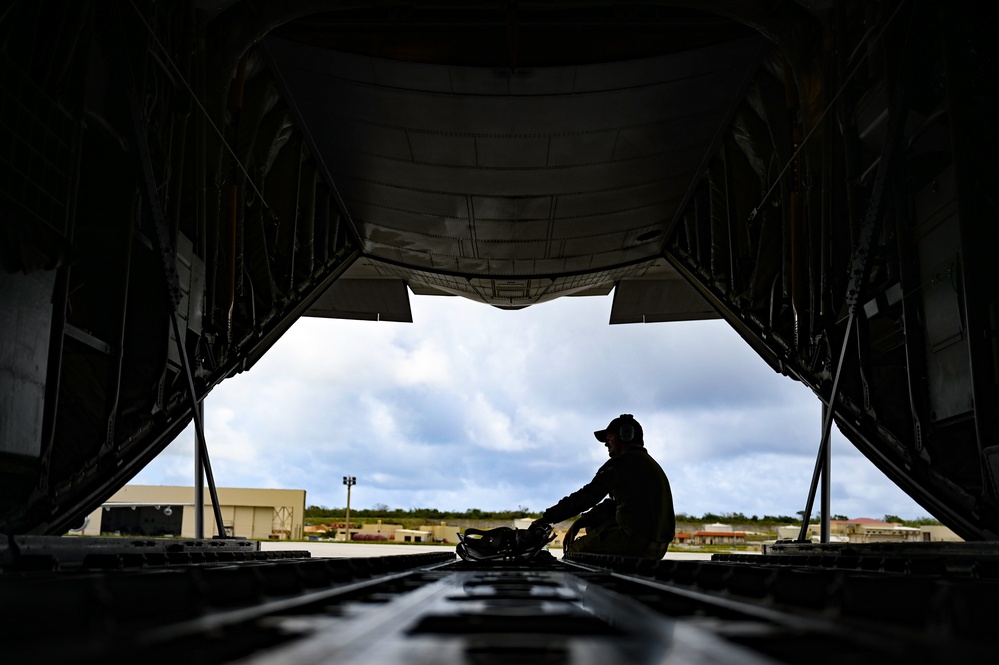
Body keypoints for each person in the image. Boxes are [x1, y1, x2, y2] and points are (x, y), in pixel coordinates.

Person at [532, 414, 675, 559]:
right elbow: (613, 506)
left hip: (634, 541)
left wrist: (547, 519)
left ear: (626, 435)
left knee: (574, 553)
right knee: (591, 526)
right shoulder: (647, 464)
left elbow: (587, 496)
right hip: (657, 548)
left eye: (609, 437)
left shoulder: (621, 464)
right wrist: (580, 522)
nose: (606, 443)